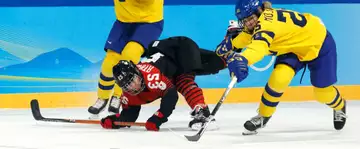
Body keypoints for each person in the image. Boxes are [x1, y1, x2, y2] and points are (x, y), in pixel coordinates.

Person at [216, 0, 347, 135]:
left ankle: (340, 105)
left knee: (322, 94)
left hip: (318, 43)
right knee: (279, 78)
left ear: (260, 10)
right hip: (293, 48)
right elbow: (247, 36)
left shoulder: (267, 24)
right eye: (244, 20)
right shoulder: (259, 20)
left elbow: (258, 48)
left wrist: (243, 59)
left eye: (250, 18)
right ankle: (263, 116)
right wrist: (231, 44)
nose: (248, 23)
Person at [100, 36, 227, 131]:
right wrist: (116, 121)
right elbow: (129, 115)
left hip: (178, 59)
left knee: (184, 82)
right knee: (215, 63)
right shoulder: (127, 95)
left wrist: (158, 117)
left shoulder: (151, 76)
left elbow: (170, 95)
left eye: (133, 80)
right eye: (127, 85)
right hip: (168, 71)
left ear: (137, 72)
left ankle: (203, 112)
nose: (133, 86)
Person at [88, 0, 165, 117]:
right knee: (109, 62)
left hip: (149, 22)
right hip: (123, 22)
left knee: (130, 55)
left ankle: (118, 96)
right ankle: (102, 98)